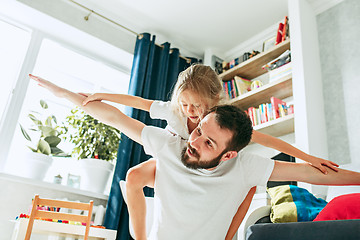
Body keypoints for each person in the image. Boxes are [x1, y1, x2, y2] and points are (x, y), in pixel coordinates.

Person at [30, 75, 360, 240]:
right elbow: (116, 116)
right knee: (133, 177)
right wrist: (62, 93)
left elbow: (314, 174)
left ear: (229, 154)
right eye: (199, 129)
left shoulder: (245, 165)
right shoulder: (170, 144)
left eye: (208, 142)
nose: (195, 140)